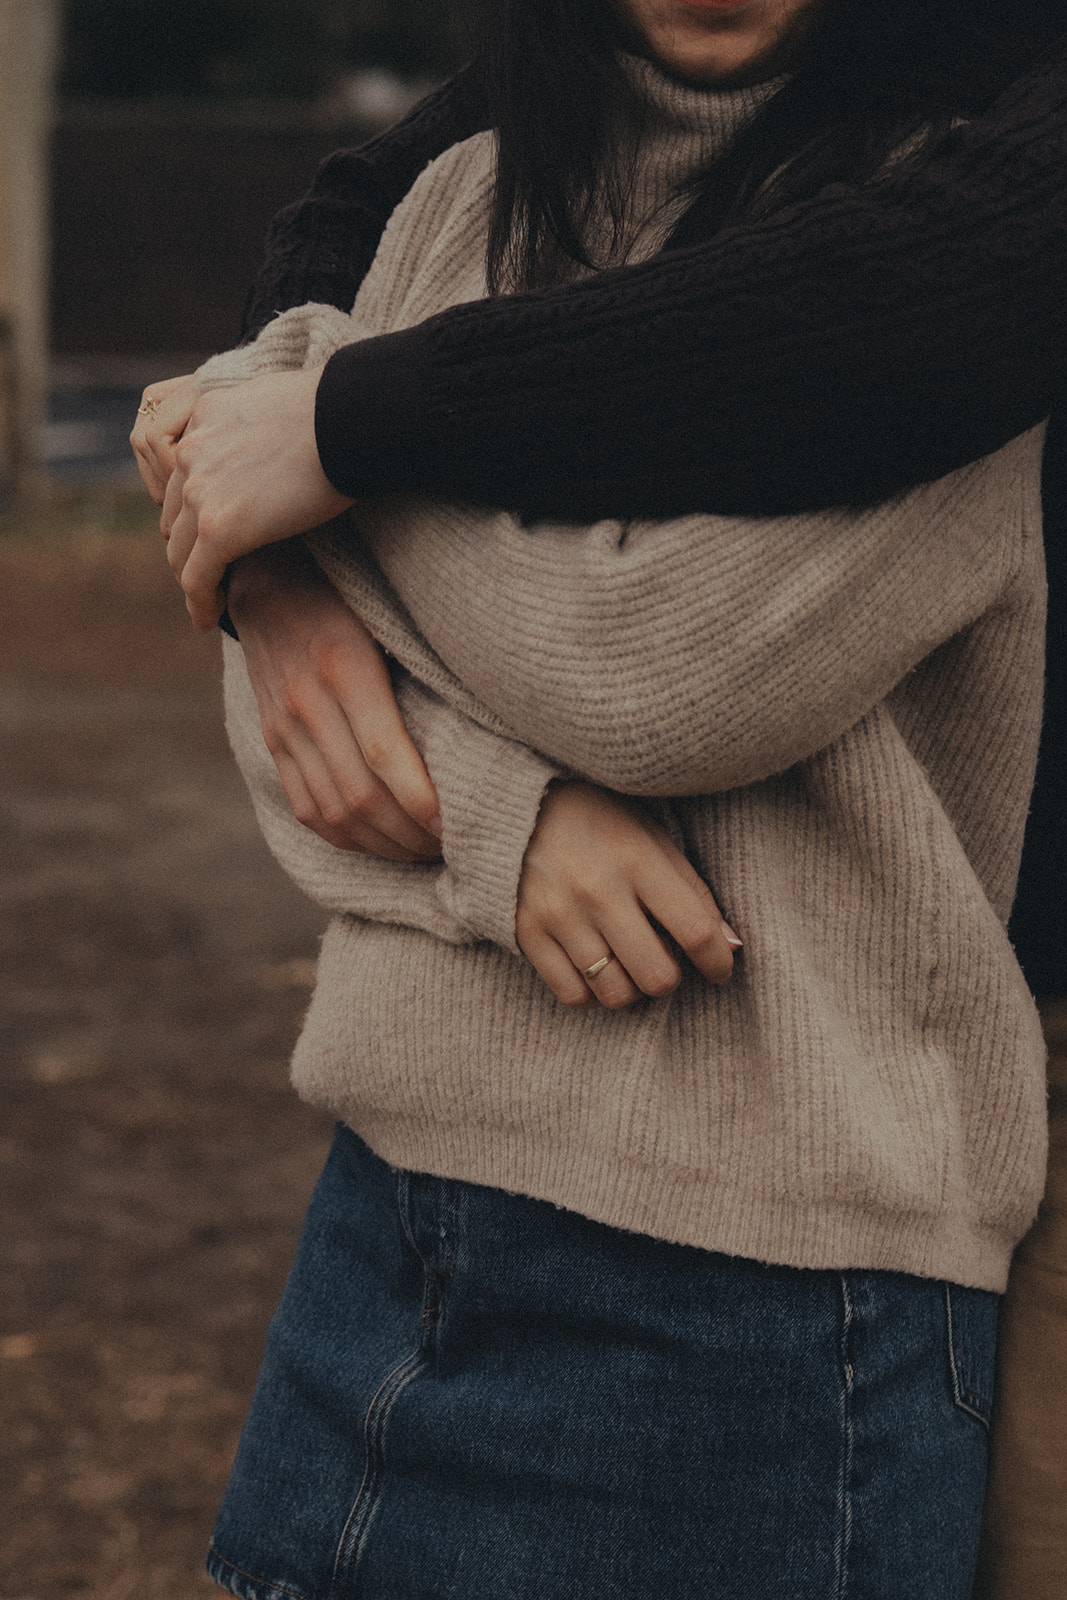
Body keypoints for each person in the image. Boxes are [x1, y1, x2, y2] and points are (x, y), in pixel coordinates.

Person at [133, 2, 1062, 1595]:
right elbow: (285, 725)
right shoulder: (460, 189)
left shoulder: (942, 259)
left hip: (762, 1288)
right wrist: (499, 818)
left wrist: (326, 448)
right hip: (383, 1231)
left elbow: (657, 678)